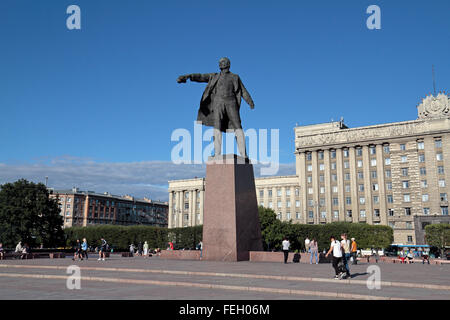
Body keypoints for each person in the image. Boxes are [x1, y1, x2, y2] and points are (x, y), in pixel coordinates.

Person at [177, 57, 255, 158]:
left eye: (223, 62)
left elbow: (243, 91)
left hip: (231, 102)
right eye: (220, 62)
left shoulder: (235, 77)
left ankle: (244, 155)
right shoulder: (214, 76)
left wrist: (250, 101)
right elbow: (200, 76)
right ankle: (217, 154)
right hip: (217, 103)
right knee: (217, 127)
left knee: (238, 126)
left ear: (228, 64)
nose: (220, 63)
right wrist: (188, 76)